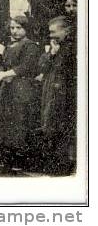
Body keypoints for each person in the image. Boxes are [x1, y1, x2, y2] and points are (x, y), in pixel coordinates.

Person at [0, 18, 41, 171]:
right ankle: (8, 159)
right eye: (12, 28)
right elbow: (7, 64)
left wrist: (3, 75)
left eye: (18, 28)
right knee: (7, 123)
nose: (15, 31)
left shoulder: (30, 46)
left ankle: (20, 161)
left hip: (22, 89)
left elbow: (25, 67)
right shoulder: (11, 45)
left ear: (26, 28)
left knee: (20, 123)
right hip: (9, 90)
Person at [37, 16, 76, 175]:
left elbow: (68, 70)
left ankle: (62, 167)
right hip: (51, 91)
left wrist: (58, 53)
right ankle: (53, 165)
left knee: (61, 128)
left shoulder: (72, 48)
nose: (51, 35)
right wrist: (52, 53)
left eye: (54, 31)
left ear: (66, 31)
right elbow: (42, 66)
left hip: (64, 93)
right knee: (49, 125)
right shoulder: (54, 47)